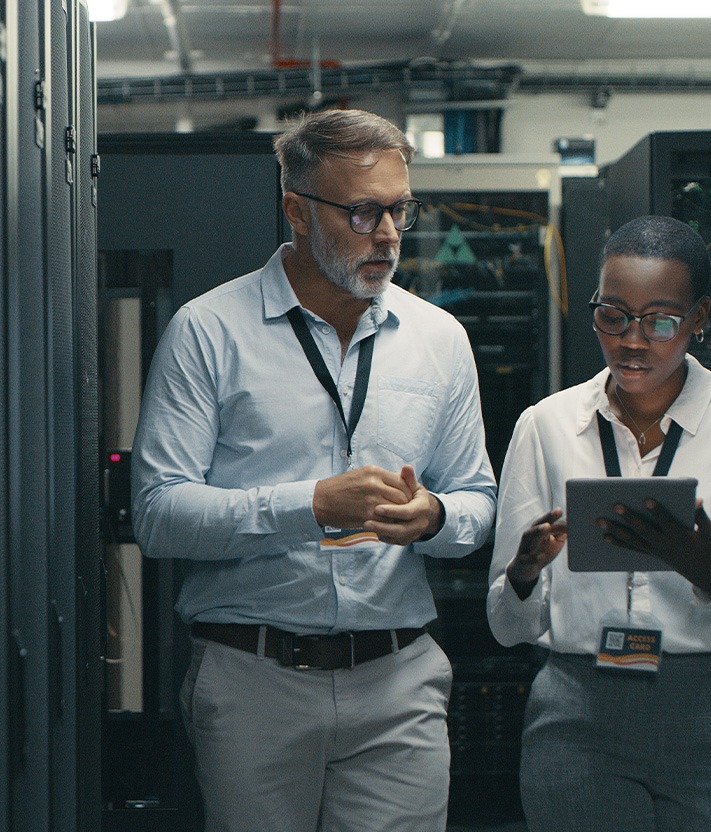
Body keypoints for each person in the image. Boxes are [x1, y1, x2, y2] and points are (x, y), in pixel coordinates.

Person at [131, 108, 496, 832]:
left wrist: (435, 519)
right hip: (254, 680)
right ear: (296, 209)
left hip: (398, 678)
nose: (388, 236)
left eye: (400, 210)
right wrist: (311, 506)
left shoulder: (439, 339)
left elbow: (478, 503)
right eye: (362, 212)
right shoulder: (209, 331)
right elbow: (159, 513)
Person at [487, 215, 711, 832]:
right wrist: (524, 573)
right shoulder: (546, 425)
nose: (633, 341)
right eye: (613, 315)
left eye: (661, 320)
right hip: (577, 715)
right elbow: (507, 627)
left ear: (699, 318)